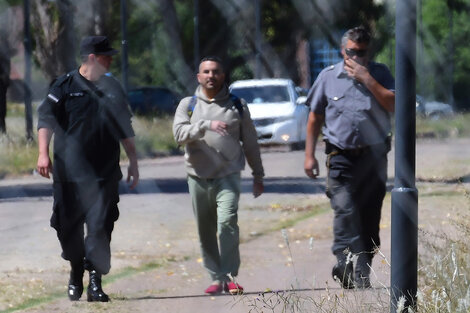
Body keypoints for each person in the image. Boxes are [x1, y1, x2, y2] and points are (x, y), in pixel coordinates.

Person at [36, 36, 139, 302]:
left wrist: (134, 162)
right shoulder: (64, 86)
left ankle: (95, 281)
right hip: (68, 175)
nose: (111, 60)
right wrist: (42, 154)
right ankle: (75, 268)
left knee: (100, 228)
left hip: (104, 173)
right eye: (107, 56)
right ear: (92, 58)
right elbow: (46, 119)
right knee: (66, 227)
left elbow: (125, 128)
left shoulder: (113, 87)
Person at [304, 26, 395, 289]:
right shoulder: (328, 77)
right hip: (340, 157)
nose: (356, 57)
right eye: (351, 52)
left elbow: (393, 104)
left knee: (369, 216)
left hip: (373, 158)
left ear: (369, 51)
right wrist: (309, 156)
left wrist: (367, 79)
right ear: (343, 50)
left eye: (362, 52)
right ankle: (343, 263)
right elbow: (314, 118)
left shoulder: (381, 74)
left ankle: (362, 271)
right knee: (344, 209)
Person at [173, 56, 264, 295]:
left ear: (223, 76)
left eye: (216, 71)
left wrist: (258, 175)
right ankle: (216, 277)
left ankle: (231, 276)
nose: (211, 76)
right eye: (206, 71)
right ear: (199, 77)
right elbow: (179, 134)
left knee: (227, 223)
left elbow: (251, 143)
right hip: (197, 175)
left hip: (229, 174)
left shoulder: (237, 105)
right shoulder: (188, 105)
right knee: (205, 229)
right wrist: (204, 125)